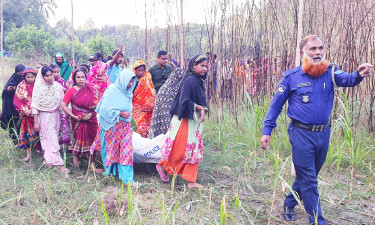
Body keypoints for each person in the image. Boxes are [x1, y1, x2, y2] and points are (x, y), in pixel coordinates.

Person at [260, 35, 373, 225]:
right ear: (302, 52)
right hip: (301, 133)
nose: (318, 52)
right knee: (310, 181)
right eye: (312, 49)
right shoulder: (291, 77)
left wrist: (359, 73)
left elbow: (348, 79)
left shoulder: (330, 72)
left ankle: (289, 202)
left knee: (309, 175)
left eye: (320, 48)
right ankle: (317, 221)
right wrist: (266, 131)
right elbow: (275, 106)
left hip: (323, 133)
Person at [156, 54, 208, 189]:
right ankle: (163, 166)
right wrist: (199, 107)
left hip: (193, 122)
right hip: (184, 121)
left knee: (192, 149)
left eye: (206, 66)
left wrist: (203, 109)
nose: (205, 69)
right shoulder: (190, 81)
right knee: (181, 149)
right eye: (202, 66)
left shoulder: (197, 80)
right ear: (193, 66)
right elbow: (184, 102)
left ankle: (191, 180)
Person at [90, 69, 137, 184]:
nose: (130, 84)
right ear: (123, 79)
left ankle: (127, 179)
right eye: (128, 81)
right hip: (112, 126)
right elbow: (104, 109)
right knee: (112, 150)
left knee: (126, 150)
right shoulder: (112, 90)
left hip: (125, 126)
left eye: (132, 81)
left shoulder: (128, 92)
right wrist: (120, 113)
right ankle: (110, 173)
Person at [61, 69, 102, 173]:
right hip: (79, 120)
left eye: (83, 77)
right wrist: (73, 116)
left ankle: (90, 162)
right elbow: (63, 105)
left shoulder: (91, 89)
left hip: (92, 119)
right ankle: (77, 158)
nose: (81, 79)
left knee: (92, 140)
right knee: (79, 139)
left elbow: (97, 102)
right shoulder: (71, 90)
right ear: (74, 78)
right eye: (78, 77)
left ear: (86, 77)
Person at [31, 66, 70, 174]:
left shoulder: (57, 86)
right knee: (50, 138)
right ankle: (60, 165)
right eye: (46, 76)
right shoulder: (39, 88)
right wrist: (36, 121)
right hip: (44, 116)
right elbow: (35, 105)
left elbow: (62, 102)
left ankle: (49, 161)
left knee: (51, 138)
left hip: (55, 115)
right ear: (42, 77)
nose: (49, 77)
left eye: (51, 75)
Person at [147, 68, 185, 139]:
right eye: (179, 79)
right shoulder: (166, 90)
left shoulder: (175, 90)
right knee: (165, 131)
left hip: (169, 116)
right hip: (163, 116)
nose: (181, 82)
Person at [13, 68, 39, 161]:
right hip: (26, 114)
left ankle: (43, 151)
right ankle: (28, 154)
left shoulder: (38, 85)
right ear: (24, 77)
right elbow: (17, 100)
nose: (30, 79)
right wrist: (26, 111)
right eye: (28, 77)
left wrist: (34, 110)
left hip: (37, 114)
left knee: (40, 133)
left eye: (32, 77)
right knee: (26, 134)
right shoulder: (21, 86)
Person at [1, 64, 26, 143]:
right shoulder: (11, 81)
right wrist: (8, 90)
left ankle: (27, 142)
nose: (21, 76)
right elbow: (4, 94)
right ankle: (16, 141)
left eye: (23, 74)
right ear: (16, 73)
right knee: (14, 124)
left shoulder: (28, 81)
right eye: (19, 74)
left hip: (25, 108)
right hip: (13, 109)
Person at [132, 60, 156, 137]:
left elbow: (151, 89)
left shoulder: (147, 77)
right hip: (137, 107)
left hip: (149, 107)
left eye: (143, 70)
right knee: (139, 127)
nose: (141, 72)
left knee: (149, 127)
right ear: (135, 70)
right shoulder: (132, 79)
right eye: (139, 70)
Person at [50, 64, 71, 148]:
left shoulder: (61, 80)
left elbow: (65, 91)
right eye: (54, 72)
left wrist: (65, 90)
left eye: (57, 72)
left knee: (64, 123)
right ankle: (54, 144)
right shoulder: (48, 82)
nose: (56, 74)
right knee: (54, 124)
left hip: (61, 105)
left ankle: (67, 143)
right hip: (51, 106)